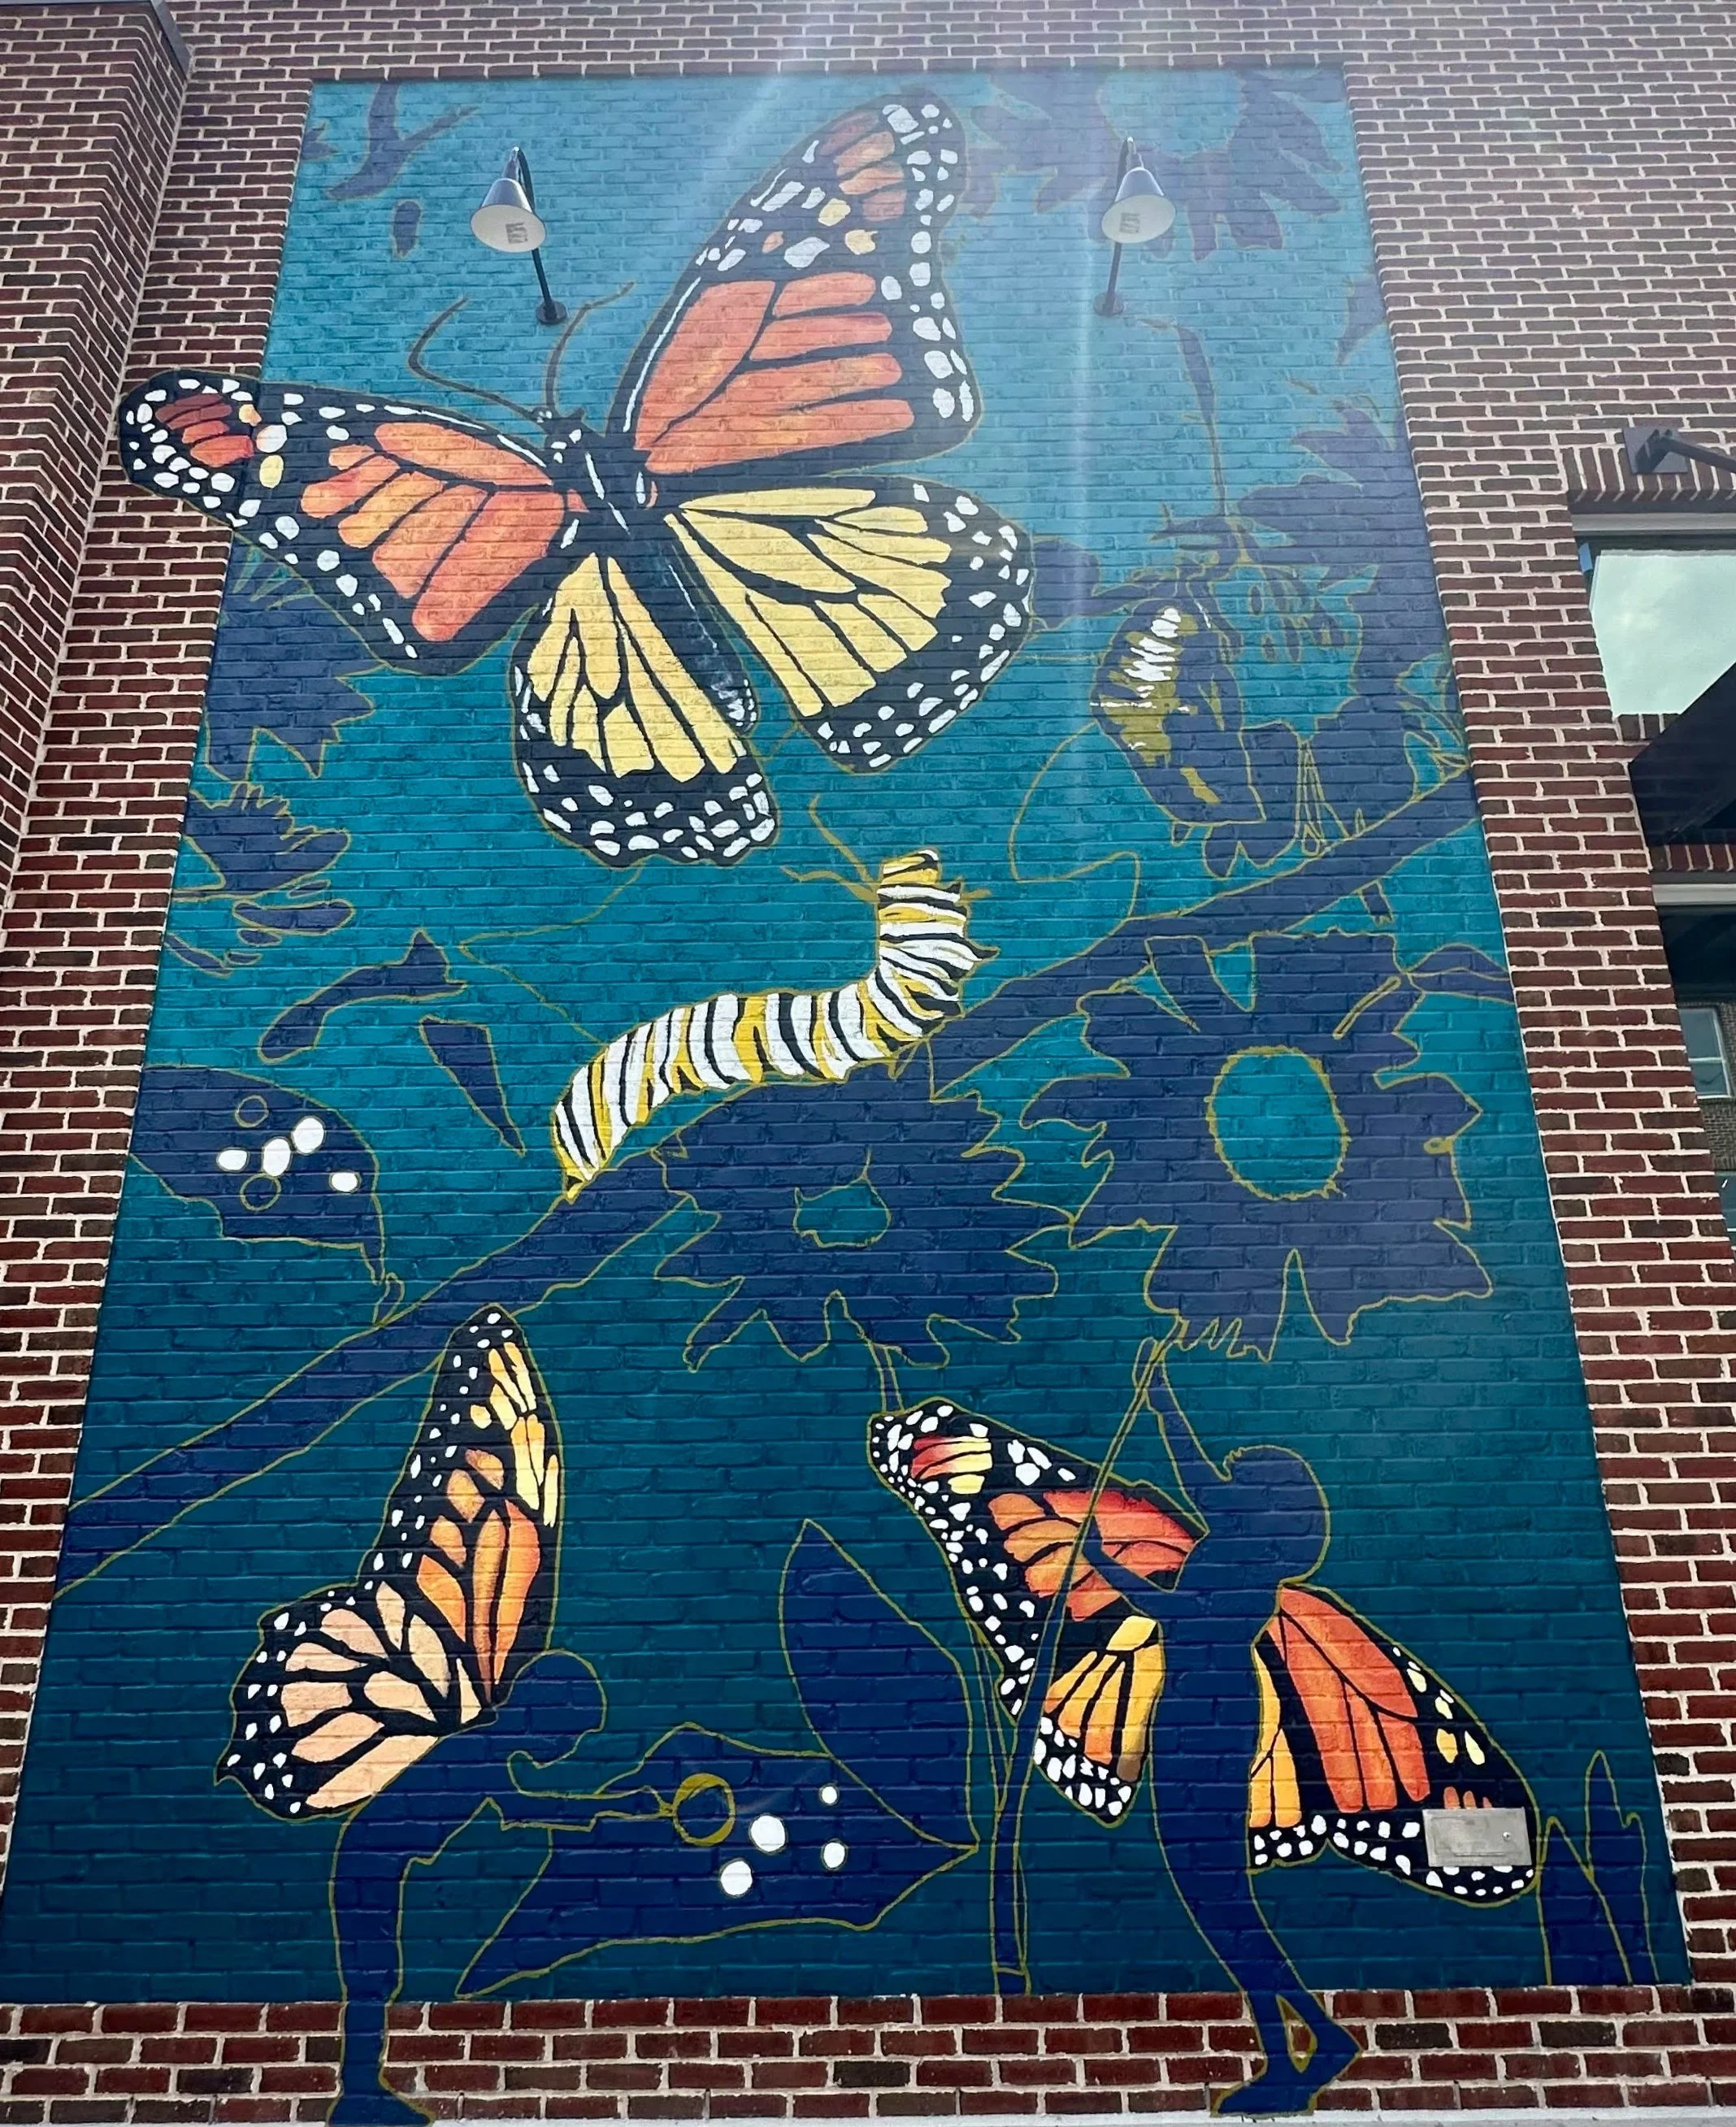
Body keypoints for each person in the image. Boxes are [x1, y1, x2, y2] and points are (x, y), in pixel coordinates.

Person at [1081, 1387, 1358, 2116]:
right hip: (1193, 1710)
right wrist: (1162, 1396)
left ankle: (1307, 2041)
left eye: (1242, 1481)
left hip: (1208, 1717)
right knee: (1217, 1898)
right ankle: (1306, 2039)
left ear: (1264, 1505)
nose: (1222, 1485)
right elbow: (1192, 1465)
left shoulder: (1248, 1563)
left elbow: (1179, 1613)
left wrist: (1104, 1566)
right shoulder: (1238, 1540)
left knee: (1218, 1897)